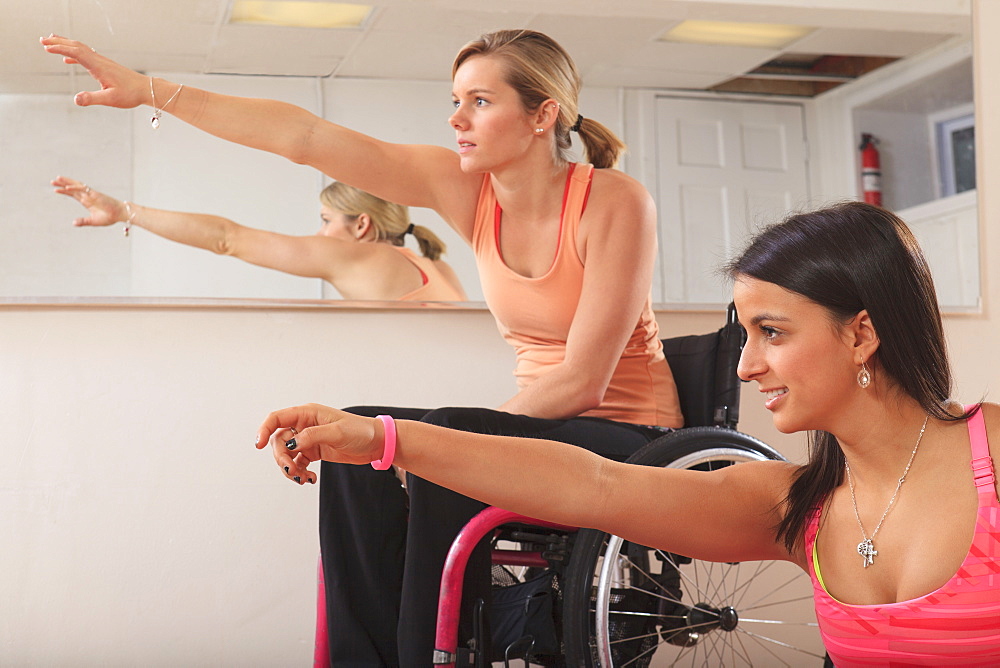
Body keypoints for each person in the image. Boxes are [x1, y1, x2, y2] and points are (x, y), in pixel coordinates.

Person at [43, 29, 684, 664]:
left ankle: (420, 655)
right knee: (358, 443)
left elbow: (583, 383)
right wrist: (151, 90)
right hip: (542, 434)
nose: (456, 118)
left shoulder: (614, 202)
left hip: (630, 437)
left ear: (543, 114)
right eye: (456, 99)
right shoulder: (466, 189)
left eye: (481, 102)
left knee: (419, 439)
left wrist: (434, 442)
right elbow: (306, 139)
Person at [257, 202, 1000, 666]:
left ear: (862, 332)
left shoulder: (990, 455)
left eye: (772, 332)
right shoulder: (794, 509)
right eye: (745, 334)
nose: (746, 366)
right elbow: (594, 485)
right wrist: (389, 438)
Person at [50, 176, 467, 302]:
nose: (321, 234)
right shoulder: (437, 266)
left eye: (325, 220)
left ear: (361, 226)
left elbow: (227, 239)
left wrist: (125, 212)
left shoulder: (353, 257)